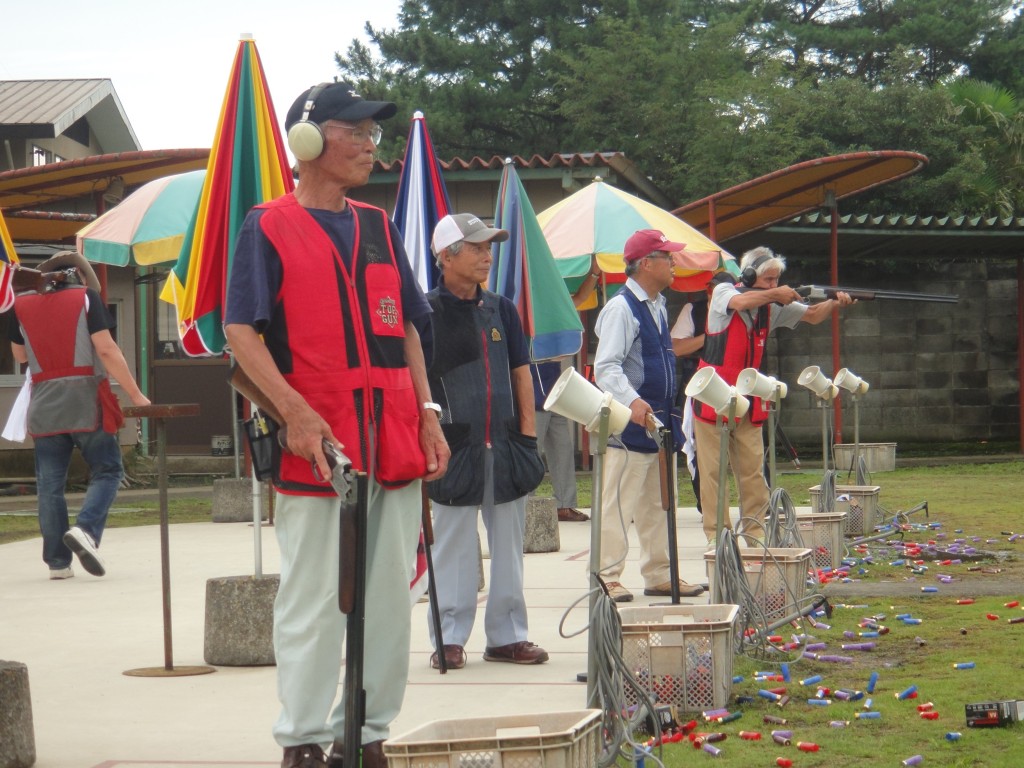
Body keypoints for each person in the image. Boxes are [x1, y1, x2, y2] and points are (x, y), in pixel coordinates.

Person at [223, 81, 449, 768]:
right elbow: (240, 330)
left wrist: (430, 413)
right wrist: (293, 412)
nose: (370, 146)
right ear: (309, 140)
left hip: (396, 438)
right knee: (314, 600)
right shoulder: (265, 225)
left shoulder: (379, 228)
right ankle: (303, 740)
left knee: (386, 599)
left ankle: (370, 732)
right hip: (317, 446)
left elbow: (408, 327)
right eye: (356, 132)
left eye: (374, 134)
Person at [420, 212, 549, 670]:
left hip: (506, 442)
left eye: (488, 247)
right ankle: (450, 638)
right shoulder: (425, 311)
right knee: (452, 548)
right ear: (446, 256)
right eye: (476, 247)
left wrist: (527, 437)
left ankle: (508, 637)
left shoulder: (501, 308)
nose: (486, 256)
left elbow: (520, 372)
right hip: (452, 446)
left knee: (510, 549)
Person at [694, 247, 853, 544]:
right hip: (712, 393)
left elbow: (814, 315)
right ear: (749, 274)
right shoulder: (723, 291)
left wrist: (834, 301)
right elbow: (740, 301)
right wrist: (776, 293)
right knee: (713, 473)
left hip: (749, 396)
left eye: (776, 279)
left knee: (753, 473)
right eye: (768, 278)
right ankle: (719, 539)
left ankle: (755, 535)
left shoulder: (772, 304)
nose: (773, 284)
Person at [8, 251, 150, 580]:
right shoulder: (86, 298)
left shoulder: (20, 305)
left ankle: (58, 563)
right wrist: (136, 394)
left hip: (44, 405)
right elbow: (106, 349)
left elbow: (19, 355)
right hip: (86, 401)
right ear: (78, 276)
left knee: (49, 486)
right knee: (108, 470)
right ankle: (85, 530)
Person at [593, 229, 705, 603]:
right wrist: (632, 401)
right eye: (667, 256)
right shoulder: (621, 308)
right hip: (631, 421)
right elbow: (606, 368)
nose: (674, 263)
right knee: (618, 504)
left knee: (659, 503)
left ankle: (659, 573)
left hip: (657, 420)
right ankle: (606, 576)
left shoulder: (656, 303)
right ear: (646, 263)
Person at [530, 258, 602, 523]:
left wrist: (594, 273)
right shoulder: (519, 304)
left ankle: (564, 504)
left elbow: (580, 298)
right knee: (531, 451)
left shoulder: (552, 305)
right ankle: (527, 506)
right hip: (530, 390)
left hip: (555, 389)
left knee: (562, 447)